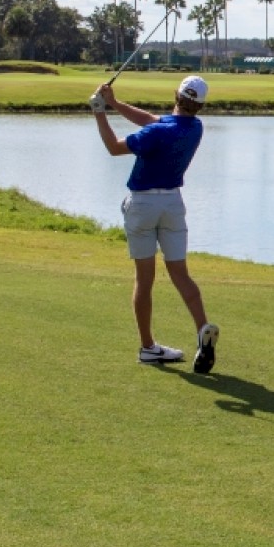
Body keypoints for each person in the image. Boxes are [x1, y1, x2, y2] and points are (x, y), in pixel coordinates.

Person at [94, 74, 219, 371]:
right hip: (173, 205)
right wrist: (114, 102)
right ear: (199, 105)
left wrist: (99, 111)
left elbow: (113, 146)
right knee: (181, 274)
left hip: (143, 205)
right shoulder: (194, 128)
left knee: (145, 278)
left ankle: (148, 347)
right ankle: (202, 329)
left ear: (175, 94)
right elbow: (152, 119)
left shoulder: (156, 133)